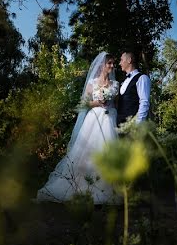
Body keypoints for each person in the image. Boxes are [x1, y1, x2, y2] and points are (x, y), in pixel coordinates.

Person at [36, 52, 121, 204]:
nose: (112, 66)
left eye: (113, 63)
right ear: (102, 65)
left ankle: (106, 190)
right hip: (93, 120)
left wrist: (108, 103)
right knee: (86, 154)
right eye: (110, 63)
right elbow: (85, 103)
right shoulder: (92, 83)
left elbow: (117, 104)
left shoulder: (115, 85)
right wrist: (98, 102)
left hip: (109, 120)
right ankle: (80, 187)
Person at [116, 51, 150, 127]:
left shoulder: (142, 78)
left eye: (121, 60)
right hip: (119, 125)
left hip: (132, 126)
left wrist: (137, 126)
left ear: (129, 60)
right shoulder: (123, 81)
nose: (119, 63)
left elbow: (144, 102)